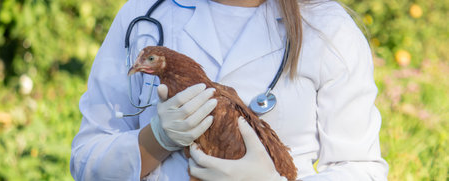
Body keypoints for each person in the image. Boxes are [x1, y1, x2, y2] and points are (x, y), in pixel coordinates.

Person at [70, 0, 389, 180]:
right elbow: (85, 163)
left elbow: (362, 170)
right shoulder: (143, 17)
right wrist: (155, 141)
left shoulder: (328, 28)